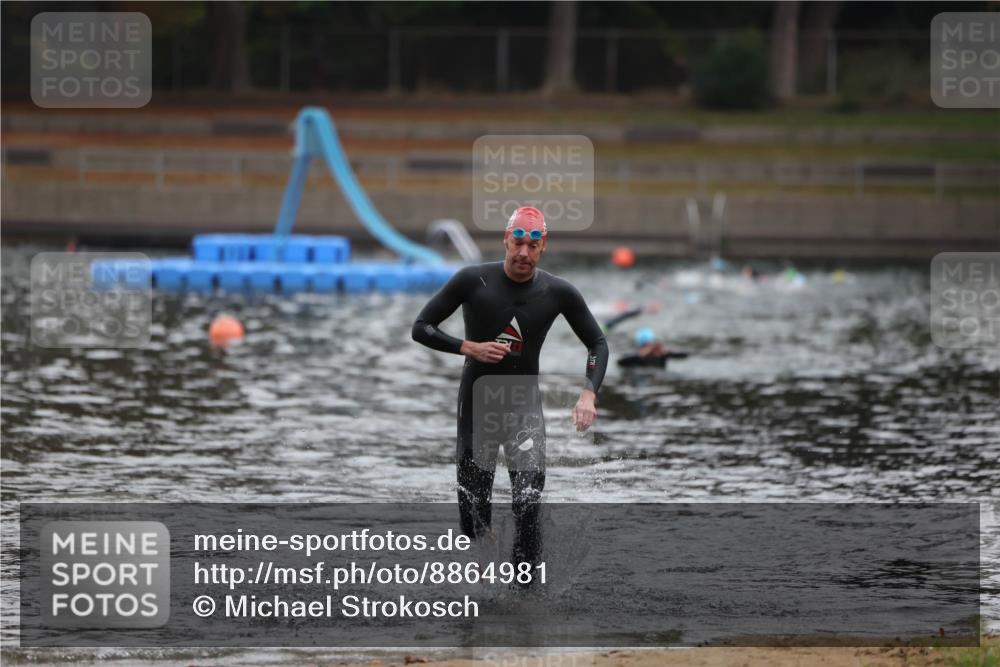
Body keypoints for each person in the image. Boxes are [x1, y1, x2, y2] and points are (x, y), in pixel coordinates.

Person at [411, 206, 609, 566]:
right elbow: (421, 326)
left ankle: (526, 602)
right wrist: (466, 347)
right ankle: (485, 587)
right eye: (517, 243)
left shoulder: (558, 291)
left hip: (523, 409)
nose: (523, 253)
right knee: (474, 517)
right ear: (506, 240)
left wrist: (588, 393)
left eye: (532, 247)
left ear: (542, 247)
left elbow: (598, 342)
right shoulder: (472, 281)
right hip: (477, 409)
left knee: (528, 505)